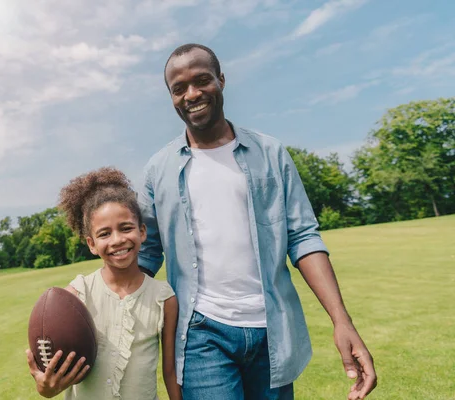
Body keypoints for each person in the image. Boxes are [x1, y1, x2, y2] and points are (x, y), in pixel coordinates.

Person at [137, 43, 378, 400]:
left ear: (221, 80)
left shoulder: (270, 153)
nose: (192, 94)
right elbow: (143, 255)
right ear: (171, 96)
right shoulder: (158, 169)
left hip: (272, 330)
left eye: (202, 80)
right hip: (202, 333)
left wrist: (342, 321)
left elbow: (303, 238)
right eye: (179, 88)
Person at [26, 167, 182, 400]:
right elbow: (47, 383)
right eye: (104, 233)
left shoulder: (163, 297)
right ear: (91, 244)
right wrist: (45, 387)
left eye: (126, 228)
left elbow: (169, 372)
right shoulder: (77, 294)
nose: (117, 240)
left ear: (142, 232)